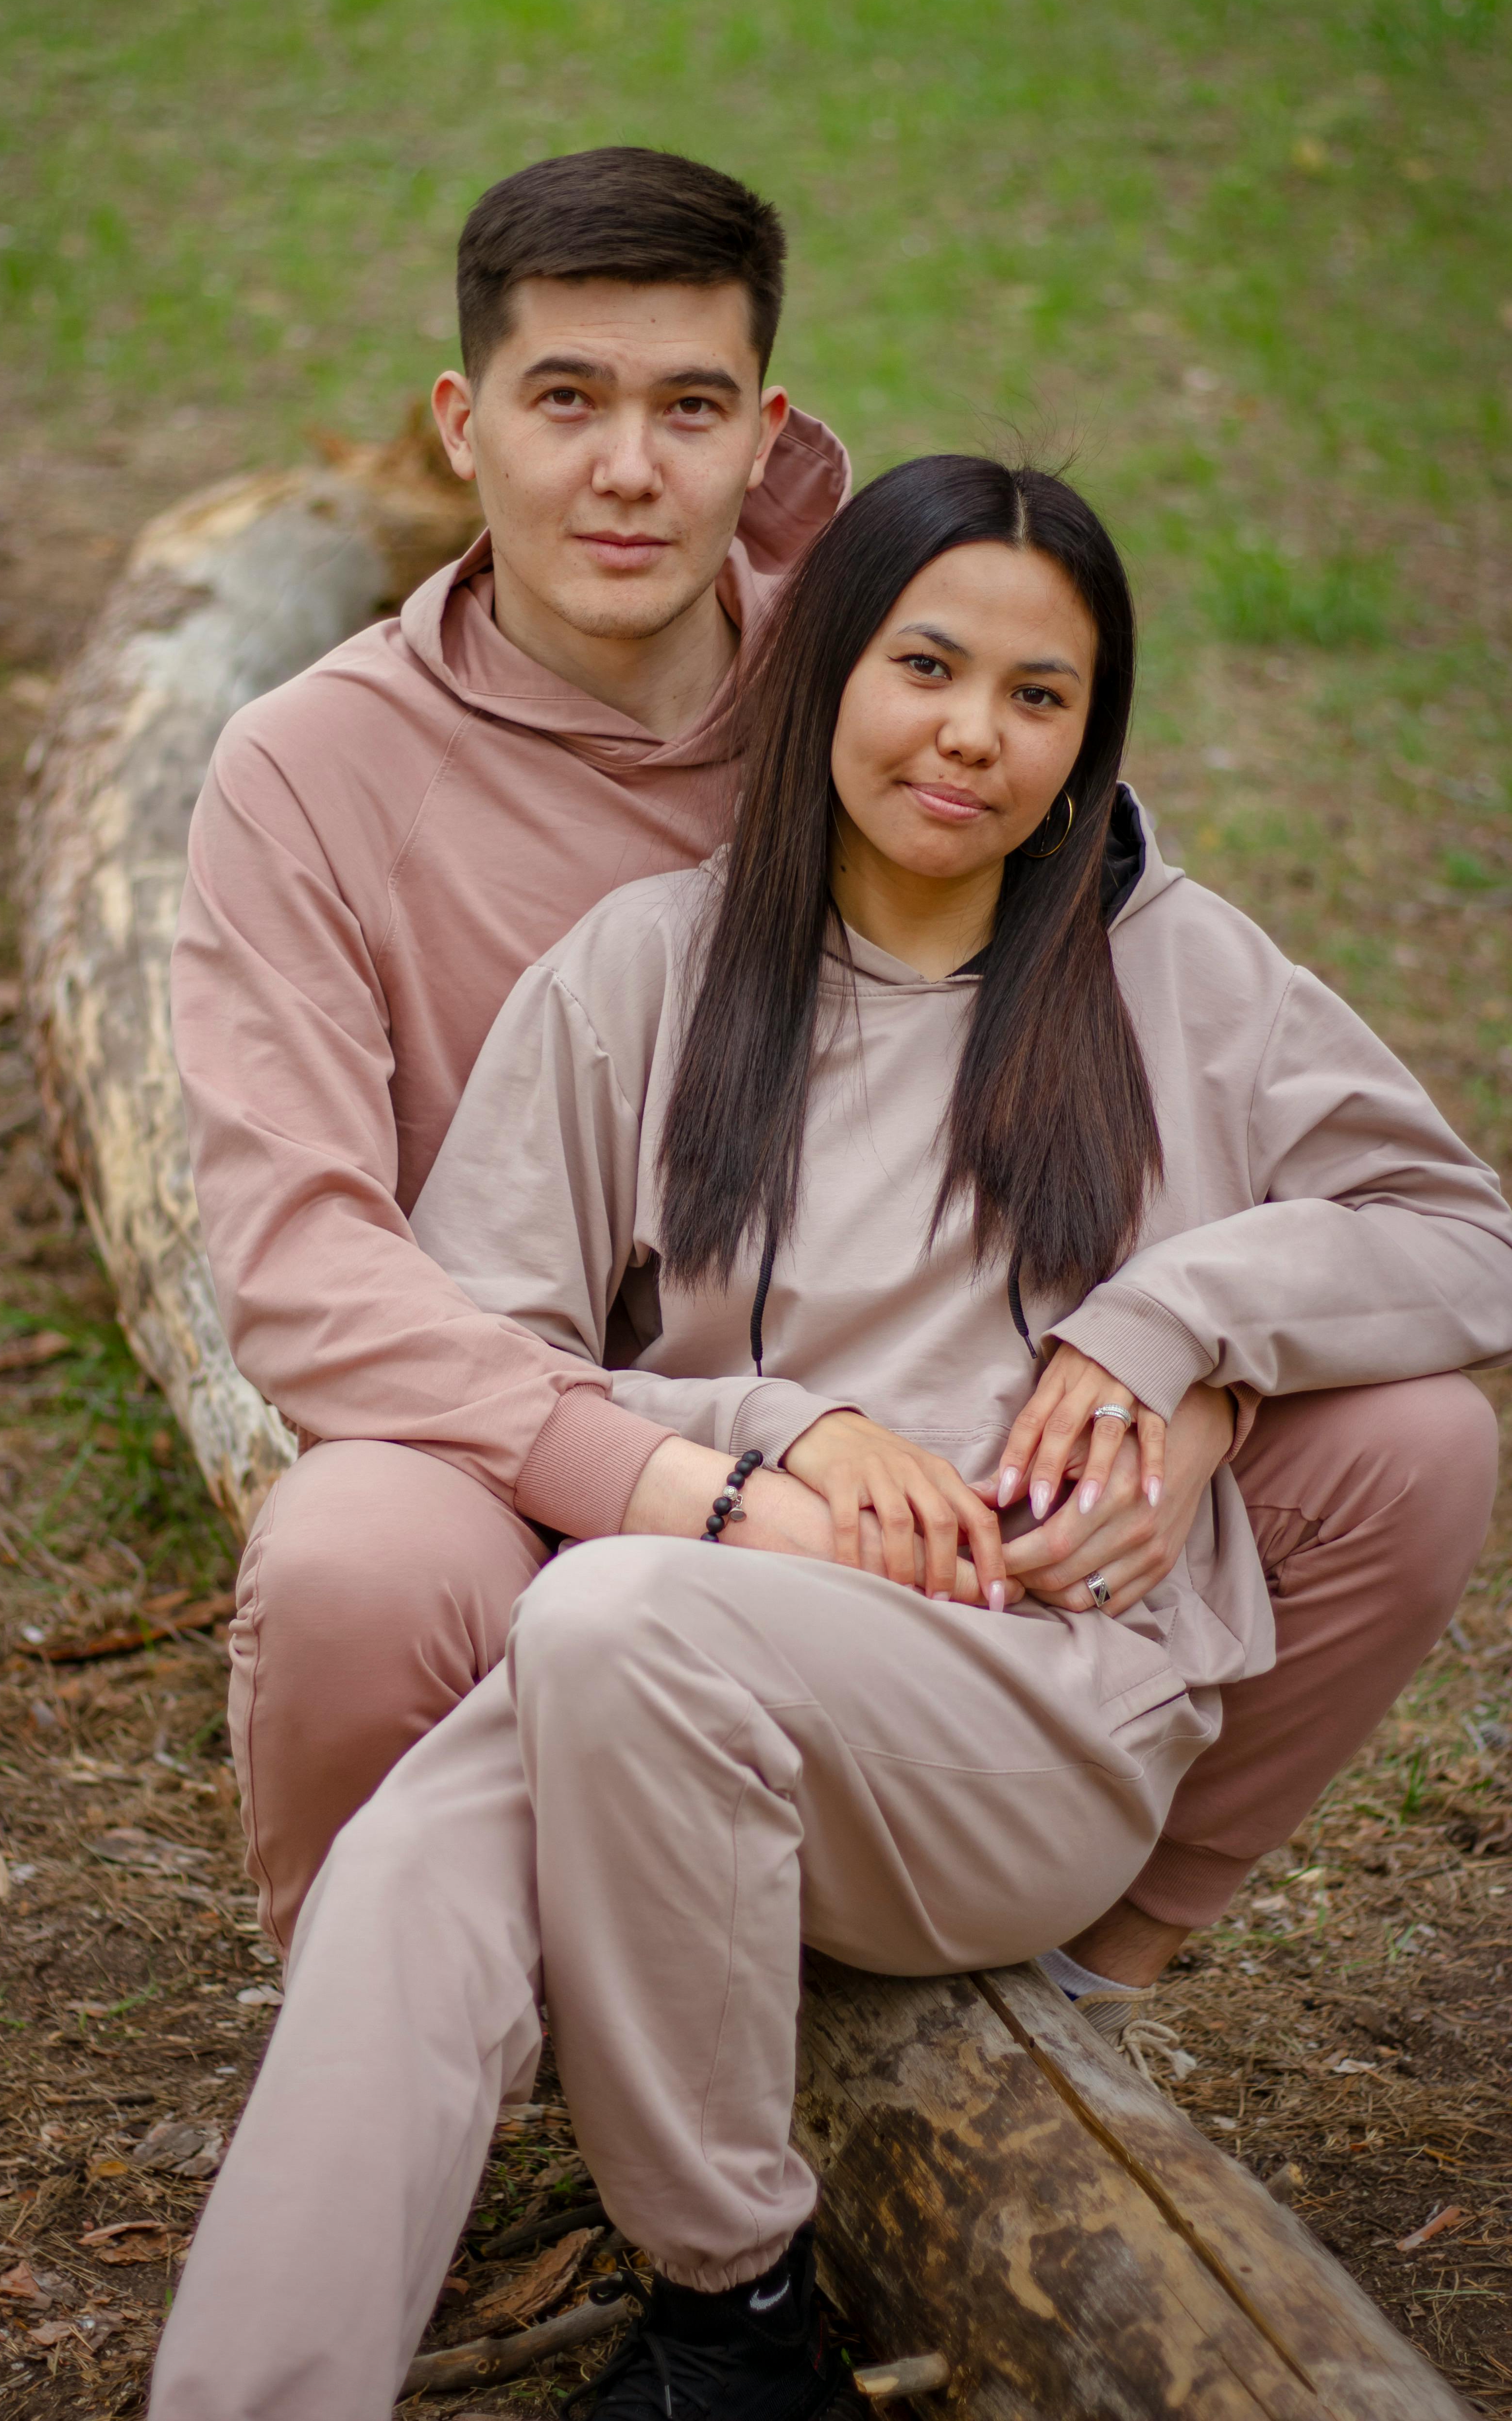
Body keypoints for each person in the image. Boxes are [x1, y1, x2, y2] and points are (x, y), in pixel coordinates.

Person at [151, 456, 1512, 2421]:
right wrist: (780, 1433)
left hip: (1021, 1717)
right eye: (926, 665)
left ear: (1088, 740)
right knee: (397, 1903)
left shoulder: (1178, 977)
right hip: (679, 1664)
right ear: (821, 680)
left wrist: (1171, 1335)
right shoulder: (646, 970)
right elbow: (486, 1349)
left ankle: (736, 2314)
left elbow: (1465, 1237)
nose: (973, 734)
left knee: (613, 1625)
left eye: (1040, 698)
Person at [173, 142, 1495, 2002]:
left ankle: (1080, 1981)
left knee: (1415, 1438)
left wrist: (1185, 1366)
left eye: (687, 407)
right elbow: (305, 1267)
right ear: (462, 426)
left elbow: (1106, 983)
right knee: (352, 1559)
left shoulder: (897, 663)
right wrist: (687, 1490)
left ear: (763, 430)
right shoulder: (306, 773)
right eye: (569, 400)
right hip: (529, 1432)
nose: (629, 470)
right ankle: (417, 2019)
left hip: (933, 1477)